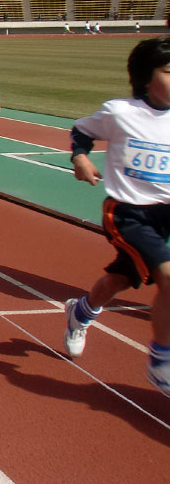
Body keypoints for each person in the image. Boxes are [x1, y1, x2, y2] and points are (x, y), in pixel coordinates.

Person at [62, 37, 170, 395]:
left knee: (119, 280)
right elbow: (82, 130)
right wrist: (80, 157)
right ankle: (161, 360)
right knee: (169, 279)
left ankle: (81, 313)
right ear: (145, 77)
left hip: (166, 215)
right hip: (128, 213)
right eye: (169, 71)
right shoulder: (120, 113)